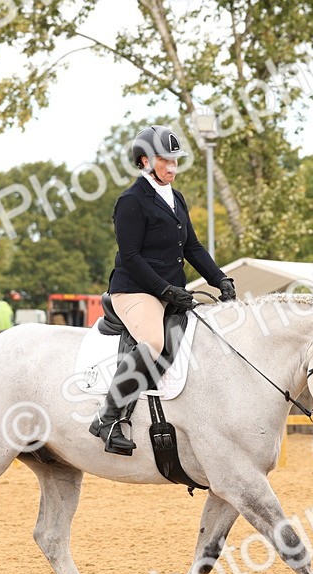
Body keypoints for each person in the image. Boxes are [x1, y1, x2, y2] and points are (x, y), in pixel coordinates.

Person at [88, 125, 237, 455]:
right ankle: (109, 417)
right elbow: (131, 256)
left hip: (169, 289)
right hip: (135, 290)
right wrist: (166, 290)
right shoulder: (131, 201)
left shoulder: (177, 198)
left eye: (175, 161)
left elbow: (193, 247)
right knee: (154, 342)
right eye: (164, 161)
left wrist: (220, 279)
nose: (172, 167)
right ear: (144, 162)